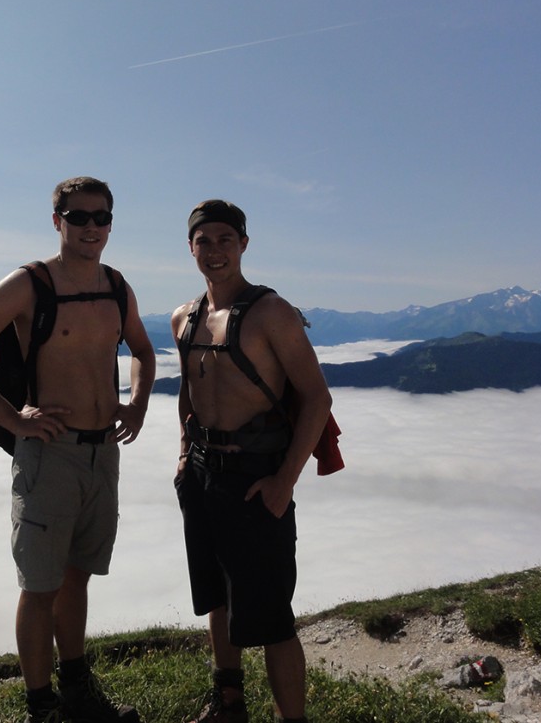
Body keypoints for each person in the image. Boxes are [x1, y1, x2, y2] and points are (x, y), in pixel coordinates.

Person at [0, 177, 156, 723]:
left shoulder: (116, 286)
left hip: (103, 452)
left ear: (111, 223)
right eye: (77, 217)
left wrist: (138, 403)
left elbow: (144, 352)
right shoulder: (28, 284)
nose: (91, 227)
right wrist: (12, 419)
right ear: (56, 220)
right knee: (40, 587)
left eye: (101, 217)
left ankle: (77, 692)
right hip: (49, 456)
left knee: (77, 575)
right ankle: (42, 708)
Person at [171, 200, 333, 723]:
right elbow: (188, 392)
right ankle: (228, 704)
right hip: (202, 473)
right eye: (204, 241)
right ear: (190, 246)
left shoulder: (271, 314)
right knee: (216, 596)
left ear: (243, 244)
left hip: (255, 478)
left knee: (271, 618)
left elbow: (316, 398)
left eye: (225, 239)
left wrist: (284, 482)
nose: (214, 251)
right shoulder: (184, 317)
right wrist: (182, 454)